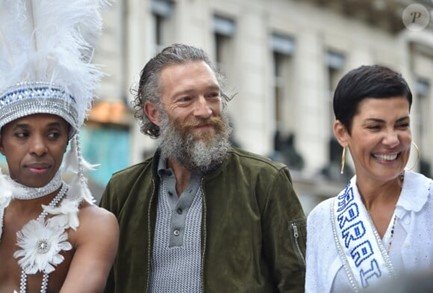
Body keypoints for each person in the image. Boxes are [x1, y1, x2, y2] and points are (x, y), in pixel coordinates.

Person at [100, 43, 306, 292]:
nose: (205, 110)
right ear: (154, 113)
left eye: (212, 95)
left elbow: (299, 281)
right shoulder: (122, 191)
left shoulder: (265, 181)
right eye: (186, 99)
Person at [0, 0, 119, 292]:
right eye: (22, 134)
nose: (39, 147)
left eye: (53, 134)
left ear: (68, 141)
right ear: (1, 143)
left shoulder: (95, 224)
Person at [305, 65, 433, 292]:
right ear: (342, 132)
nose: (392, 139)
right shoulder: (322, 220)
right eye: (375, 127)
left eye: (402, 125)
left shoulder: (428, 205)